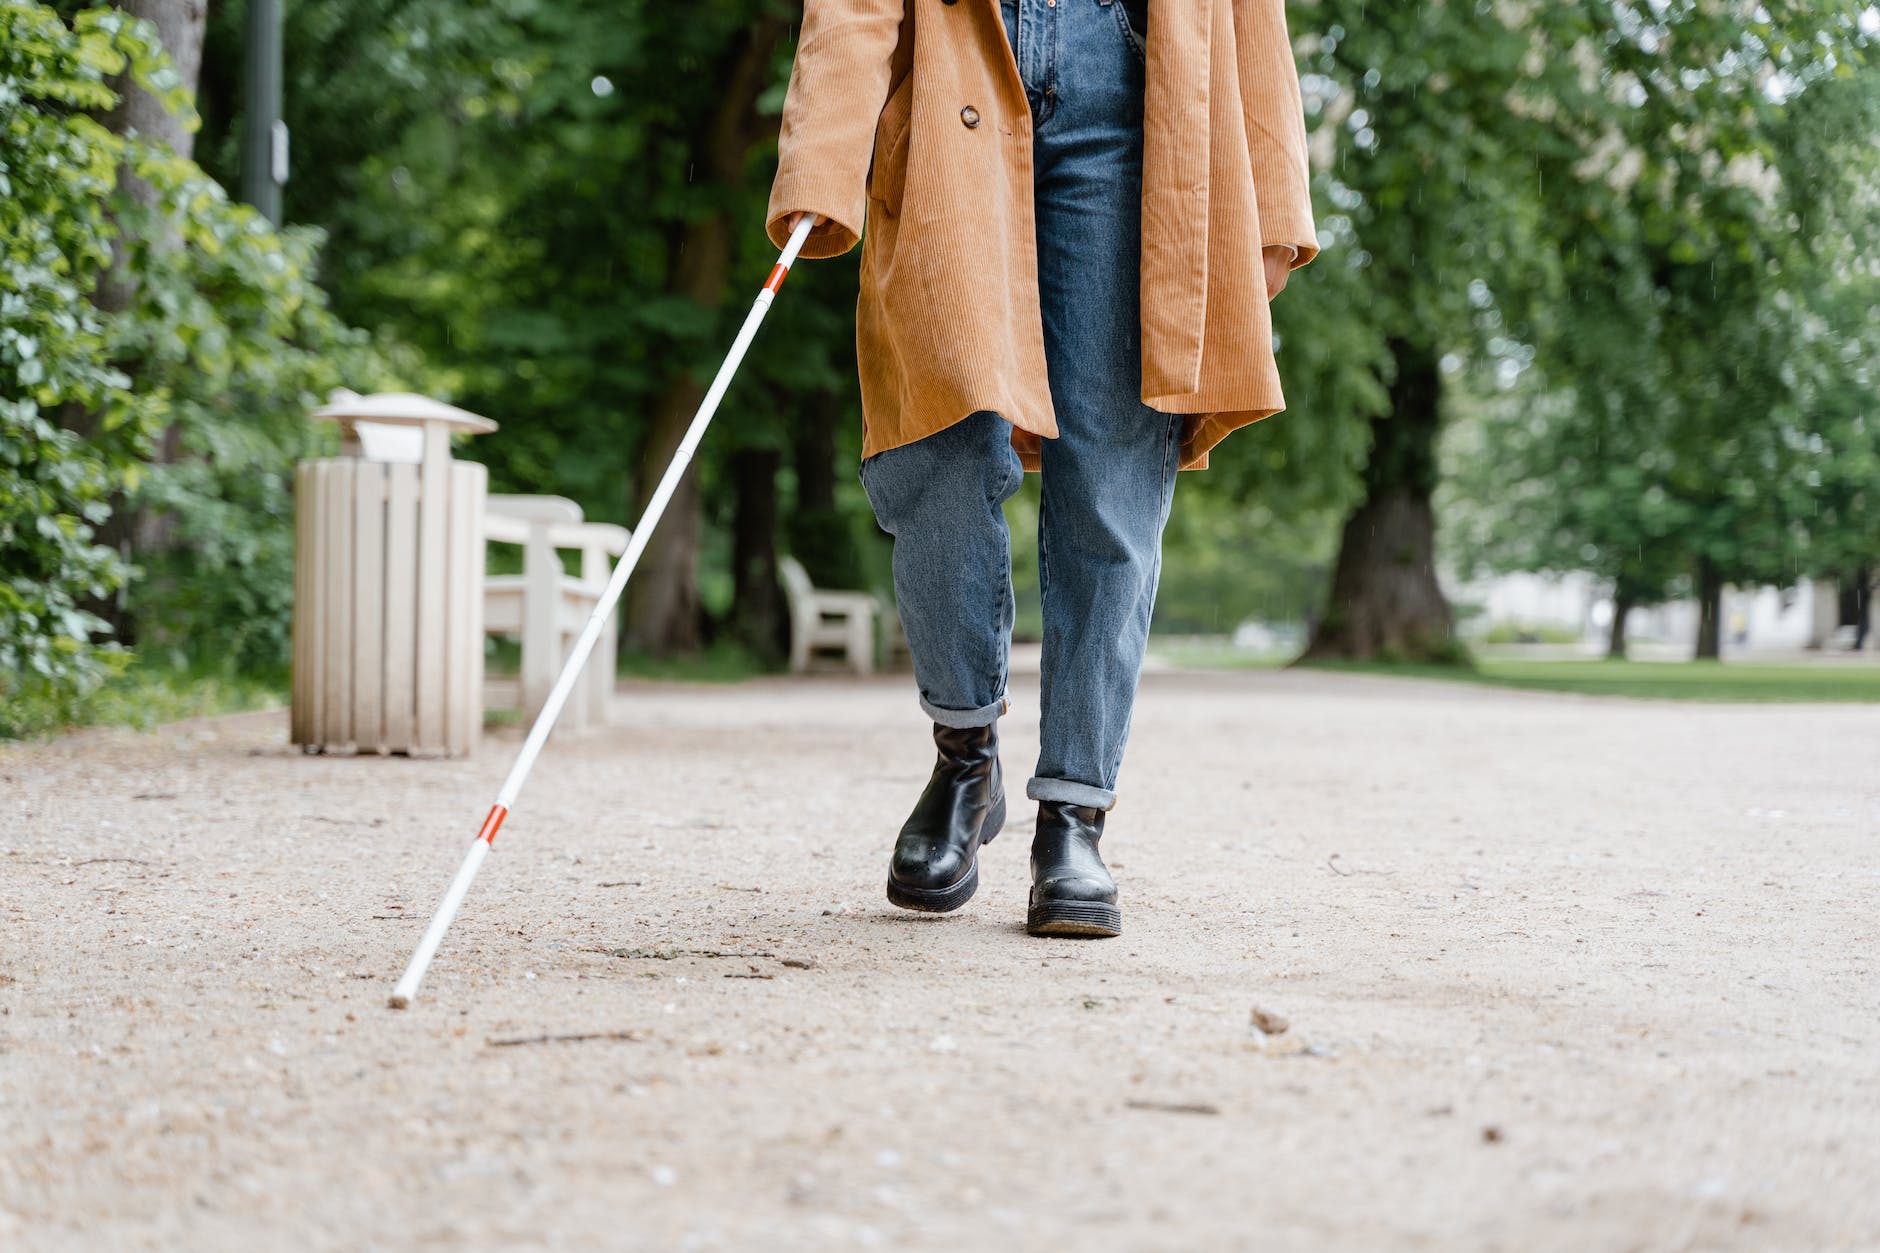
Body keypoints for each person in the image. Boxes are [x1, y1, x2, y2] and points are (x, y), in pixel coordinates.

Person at [767, 0, 1317, 937]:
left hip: (1133, 116)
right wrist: (821, 160)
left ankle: (1074, 815)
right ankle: (965, 756)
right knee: (936, 443)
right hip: (951, 100)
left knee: (1109, 486)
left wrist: (1272, 194)